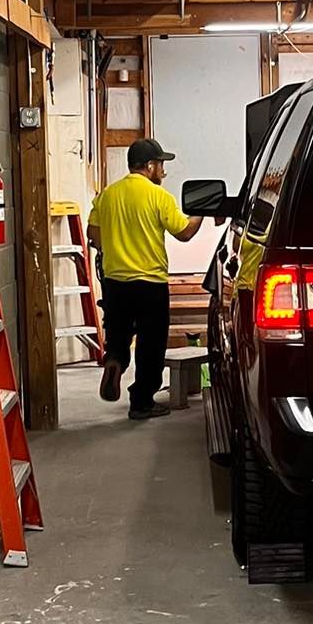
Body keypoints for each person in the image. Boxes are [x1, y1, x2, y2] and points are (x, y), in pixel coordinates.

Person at [87, 137, 203, 421]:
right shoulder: (158, 196)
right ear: (150, 166)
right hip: (150, 282)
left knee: (118, 333)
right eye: (161, 165)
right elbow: (184, 232)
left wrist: (115, 244)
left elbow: (93, 234)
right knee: (151, 344)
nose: (163, 171)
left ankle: (114, 360)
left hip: (115, 282)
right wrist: (201, 211)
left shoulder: (107, 195)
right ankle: (141, 402)